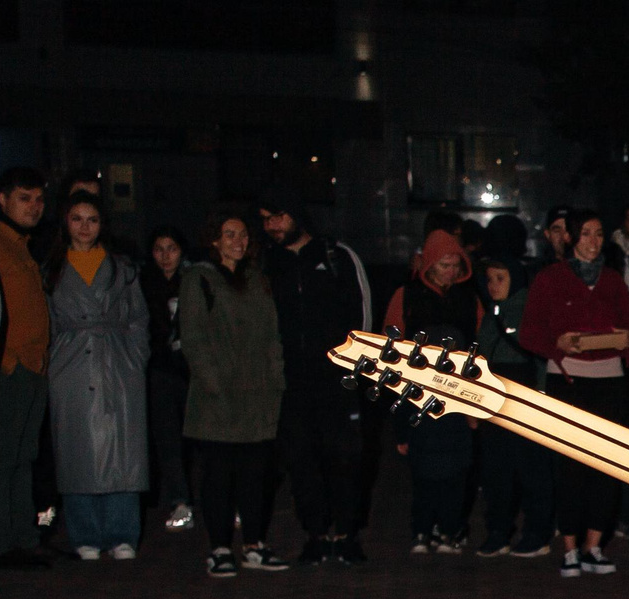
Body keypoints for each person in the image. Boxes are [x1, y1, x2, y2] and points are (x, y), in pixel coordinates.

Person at [519, 211, 629, 575]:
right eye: (586, 234)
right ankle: (570, 549)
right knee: (569, 466)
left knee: (606, 464)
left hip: (609, 381)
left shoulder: (613, 280)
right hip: (568, 379)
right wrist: (558, 345)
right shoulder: (550, 278)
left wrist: (628, 340)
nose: (593, 241)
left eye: (599, 233)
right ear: (571, 239)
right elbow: (528, 334)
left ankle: (594, 547)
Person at [260, 193, 373, 566]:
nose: (272, 226)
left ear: (296, 214)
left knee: (345, 458)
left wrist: (358, 372)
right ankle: (315, 534)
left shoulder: (337, 256)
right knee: (301, 461)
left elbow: (363, 316)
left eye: (277, 216)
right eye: (265, 220)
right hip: (291, 382)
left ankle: (346, 533)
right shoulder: (267, 263)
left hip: (337, 380)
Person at [180, 212, 288, 577]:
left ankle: (255, 544)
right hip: (219, 396)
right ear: (214, 239)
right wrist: (213, 387)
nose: (237, 241)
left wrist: (276, 381)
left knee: (256, 475)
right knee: (219, 475)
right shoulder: (199, 278)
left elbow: (272, 334)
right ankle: (220, 547)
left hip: (257, 394)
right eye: (229, 234)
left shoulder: (257, 279)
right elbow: (193, 338)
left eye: (242, 235)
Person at [44, 194, 151, 559]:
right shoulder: (52, 268)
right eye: (77, 219)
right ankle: (84, 533)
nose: (85, 227)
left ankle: (123, 533)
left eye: (92, 219)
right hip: (70, 365)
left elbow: (138, 318)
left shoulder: (121, 268)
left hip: (117, 363)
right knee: (77, 451)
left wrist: (135, 359)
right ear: (65, 222)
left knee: (124, 450)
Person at [381, 231, 482, 553]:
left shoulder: (468, 297)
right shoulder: (407, 295)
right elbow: (389, 348)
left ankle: (449, 529)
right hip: (416, 394)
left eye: (455, 265)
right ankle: (423, 529)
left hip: (458, 395)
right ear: (429, 265)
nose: (450, 272)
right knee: (423, 467)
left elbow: (479, 349)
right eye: (443, 265)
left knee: (456, 468)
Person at [0, 167, 52, 568]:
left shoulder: (19, 244)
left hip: (32, 366)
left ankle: (22, 538)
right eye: (25, 198)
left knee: (23, 455)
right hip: (8, 368)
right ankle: (2, 543)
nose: (34, 206)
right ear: (3, 200)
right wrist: (3, 359)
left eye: (39, 199)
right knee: (0, 457)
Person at [472, 257, 554, 557]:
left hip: (524, 395)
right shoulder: (488, 315)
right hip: (492, 398)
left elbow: (540, 356)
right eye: (490, 279)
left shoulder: (527, 310)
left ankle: (537, 532)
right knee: (496, 470)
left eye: (500, 278)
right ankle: (498, 530)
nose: (493, 286)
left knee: (532, 469)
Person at [142, 226, 196, 531]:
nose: (165, 256)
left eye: (171, 248)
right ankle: (179, 499)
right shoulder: (144, 282)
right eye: (159, 249)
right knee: (167, 436)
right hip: (160, 368)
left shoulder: (192, 280)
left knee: (199, 436)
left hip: (191, 368)